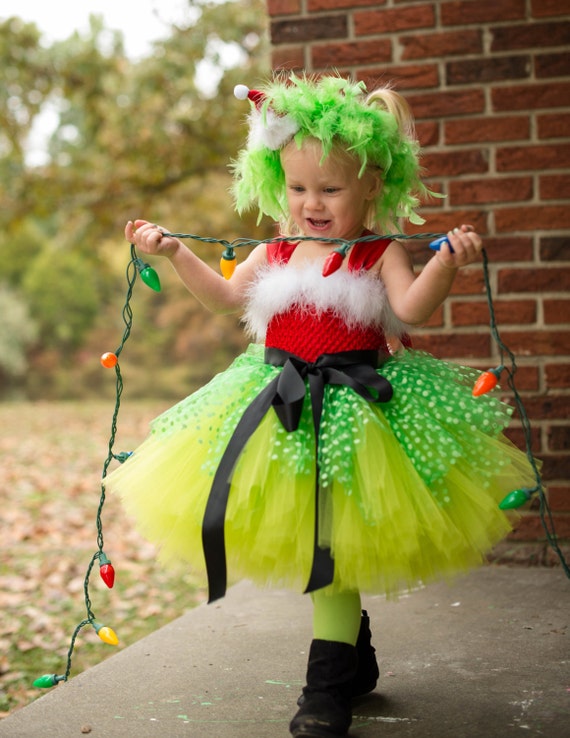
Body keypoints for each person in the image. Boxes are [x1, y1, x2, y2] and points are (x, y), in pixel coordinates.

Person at [106, 74, 534, 738]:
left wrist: (446, 265)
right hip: (278, 405)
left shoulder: (378, 251)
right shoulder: (276, 249)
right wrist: (175, 252)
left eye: (330, 189)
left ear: (371, 187)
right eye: (299, 188)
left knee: (332, 544)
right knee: (319, 542)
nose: (312, 203)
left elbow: (412, 308)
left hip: (358, 411)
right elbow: (224, 300)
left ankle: (325, 690)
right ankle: (353, 659)